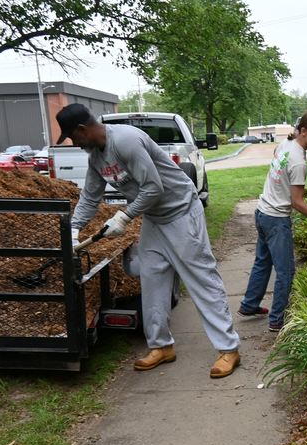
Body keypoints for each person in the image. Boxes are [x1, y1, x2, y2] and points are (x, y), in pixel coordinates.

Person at [56, 103, 241, 378]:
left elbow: (154, 187)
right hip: (155, 219)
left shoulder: (126, 141)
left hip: (180, 211)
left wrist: (124, 217)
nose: (74, 143)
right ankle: (161, 346)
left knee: (200, 277)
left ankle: (229, 349)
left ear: (83, 129)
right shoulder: (96, 158)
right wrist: (73, 230)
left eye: (73, 136)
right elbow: (91, 197)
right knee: (152, 278)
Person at [238, 110, 307, 331]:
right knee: (286, 271)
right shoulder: (299, 162)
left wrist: (285, 184)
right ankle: (277, 320)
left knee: (262, 262)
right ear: (302, 131)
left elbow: (277, 159)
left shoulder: (285, 145)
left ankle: (249, 304)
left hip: (262, 212)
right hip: (276, 220)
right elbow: (297, 203)